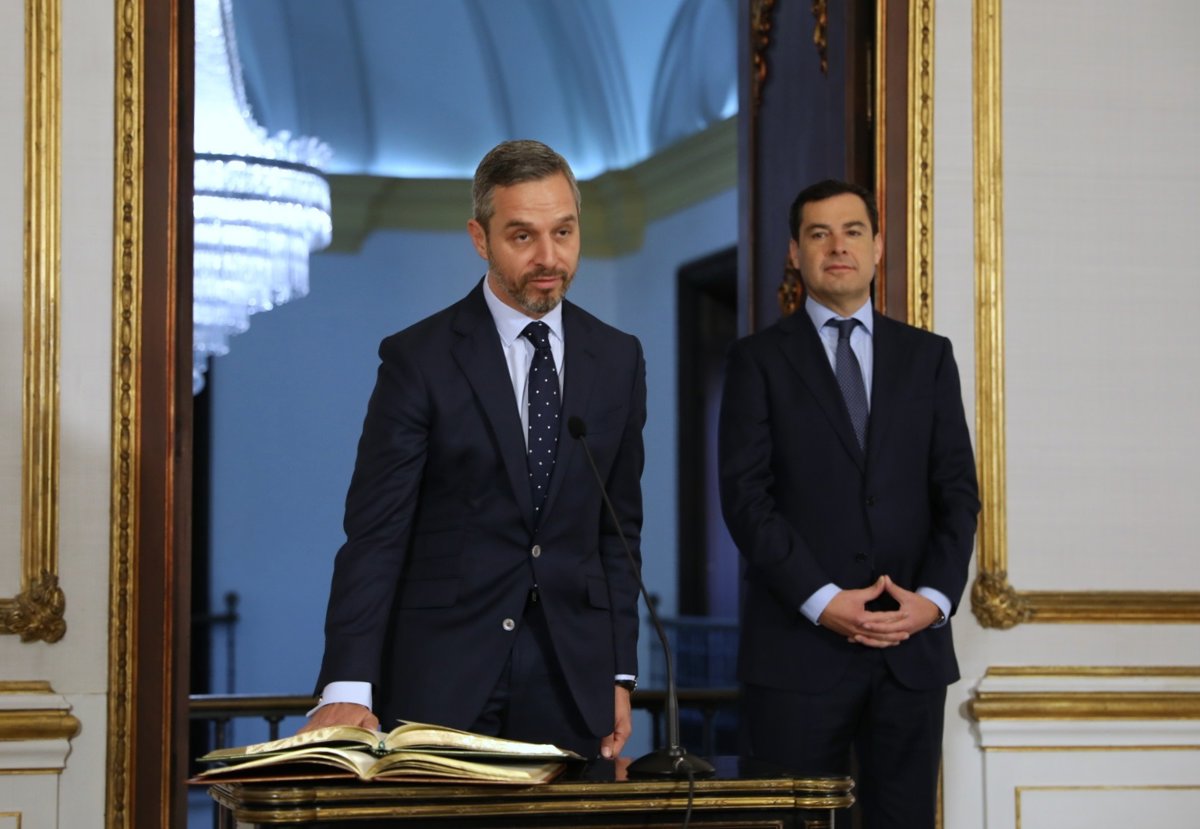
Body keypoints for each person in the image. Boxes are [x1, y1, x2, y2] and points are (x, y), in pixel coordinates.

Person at [301, 140, 646, 760]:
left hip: (573, 681)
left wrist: (621, 671)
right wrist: (347, 684)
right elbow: (376, 533)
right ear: (480, 238)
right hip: (443, 675)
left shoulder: (619, 358)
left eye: (564, 231)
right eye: (522, 236)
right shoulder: (417, 359)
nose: (549, 257)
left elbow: (619, 531)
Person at [718, 179, 979, 827]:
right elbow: (746, 499)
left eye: (853, 231)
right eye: (819, 233)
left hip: (910, 652)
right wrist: (822, 600)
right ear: (794, 252)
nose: (838, 246)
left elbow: (958, 493)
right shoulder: (757, 361)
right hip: (796, 652)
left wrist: (934, 601)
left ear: (878, 246)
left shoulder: (929, 357)